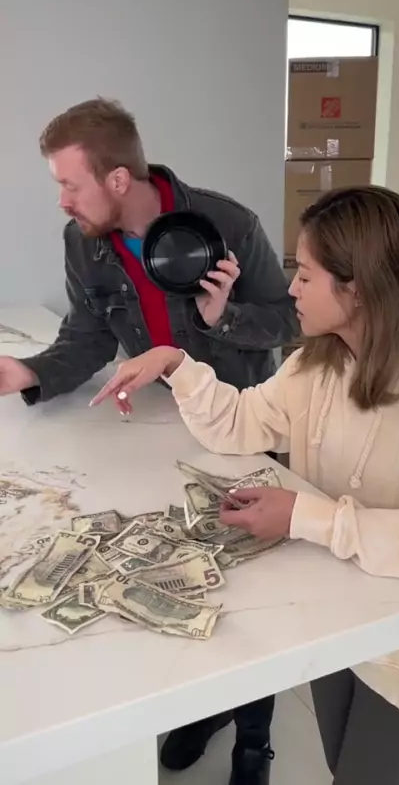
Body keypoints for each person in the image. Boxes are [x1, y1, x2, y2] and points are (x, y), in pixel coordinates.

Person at [91, 185, 399, 785]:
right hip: (332, 612)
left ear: (358, 287)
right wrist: (174, 361)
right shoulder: (317, 360)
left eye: (306, 274)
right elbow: (239, 423)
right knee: (339, 765)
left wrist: (305, 517)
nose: (291, 289)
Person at [0, 98, 299, 785]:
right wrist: (28, 372)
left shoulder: (227, 224)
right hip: (164, 429)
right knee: (191, 574)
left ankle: (255, 736)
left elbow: (287, 321)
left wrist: (222, 318)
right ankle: (206, 706)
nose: (61, 201)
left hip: (241, 426)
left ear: (116, 180)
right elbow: (87, 338)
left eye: (69, 184)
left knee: (255, 586)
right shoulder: (84, 242)